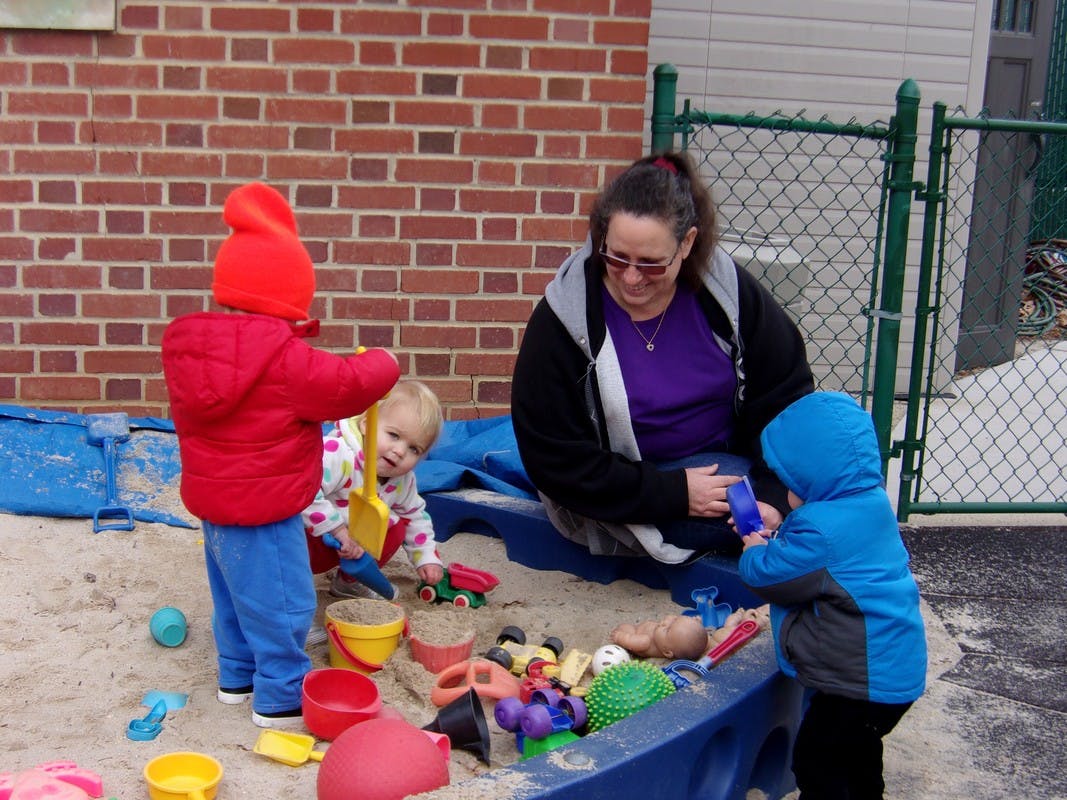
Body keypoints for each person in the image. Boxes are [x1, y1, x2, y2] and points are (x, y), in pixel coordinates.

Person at [161, 182, 400, 728]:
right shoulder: (288, 361)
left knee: (233, 597)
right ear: (290, 296)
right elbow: (347, 384)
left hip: (214, 506)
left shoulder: (191, 352)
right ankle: (279, 697)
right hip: (266, 509)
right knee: (284, 605)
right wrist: (385, 361)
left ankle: (235, 675)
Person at [511, 151, 814, 563]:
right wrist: (674, 493)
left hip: (726, 467)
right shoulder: (562, 320)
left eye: (651, 264)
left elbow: (787, 396)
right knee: (808, 525)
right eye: (616, 258)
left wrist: (773, 496)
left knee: (818, 494)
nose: (632, 278)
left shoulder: (727, 295)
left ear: (687, 243)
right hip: (623, 493)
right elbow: (554, 461)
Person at [738, 391, 927, 799]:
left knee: (818, 763)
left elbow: (770, 577)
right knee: (856, 757)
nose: (784, 491)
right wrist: (780, 532)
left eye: (789, 482)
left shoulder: (821, 532)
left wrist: (754, 549)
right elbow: (826, 555)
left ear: (810, 480)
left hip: (856, 684)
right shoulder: (870, 503)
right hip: (893, 673)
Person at [303, 379, 446, 598]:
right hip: (311, 540)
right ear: (365, 424)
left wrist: (426, 557)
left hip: (352, 549)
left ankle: (349, 582)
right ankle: (290, 591)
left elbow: (415, 515)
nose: (399, 451)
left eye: (414, 449)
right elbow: (305, 491)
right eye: (394, 435)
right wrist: (337, 530)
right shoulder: (340, 455)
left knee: (397, 526)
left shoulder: (402, 479)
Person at [610, 614, 709, 661]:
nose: (665, 622)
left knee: (625, 627)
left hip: (635, 632)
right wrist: (695, 623)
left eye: (666, 629)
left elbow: (630, 641)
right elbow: (672, 619)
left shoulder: (644, 642)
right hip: (646, 630)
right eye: (675, 619)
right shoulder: (672, 638)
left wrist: (620, 637)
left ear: (667, 652)